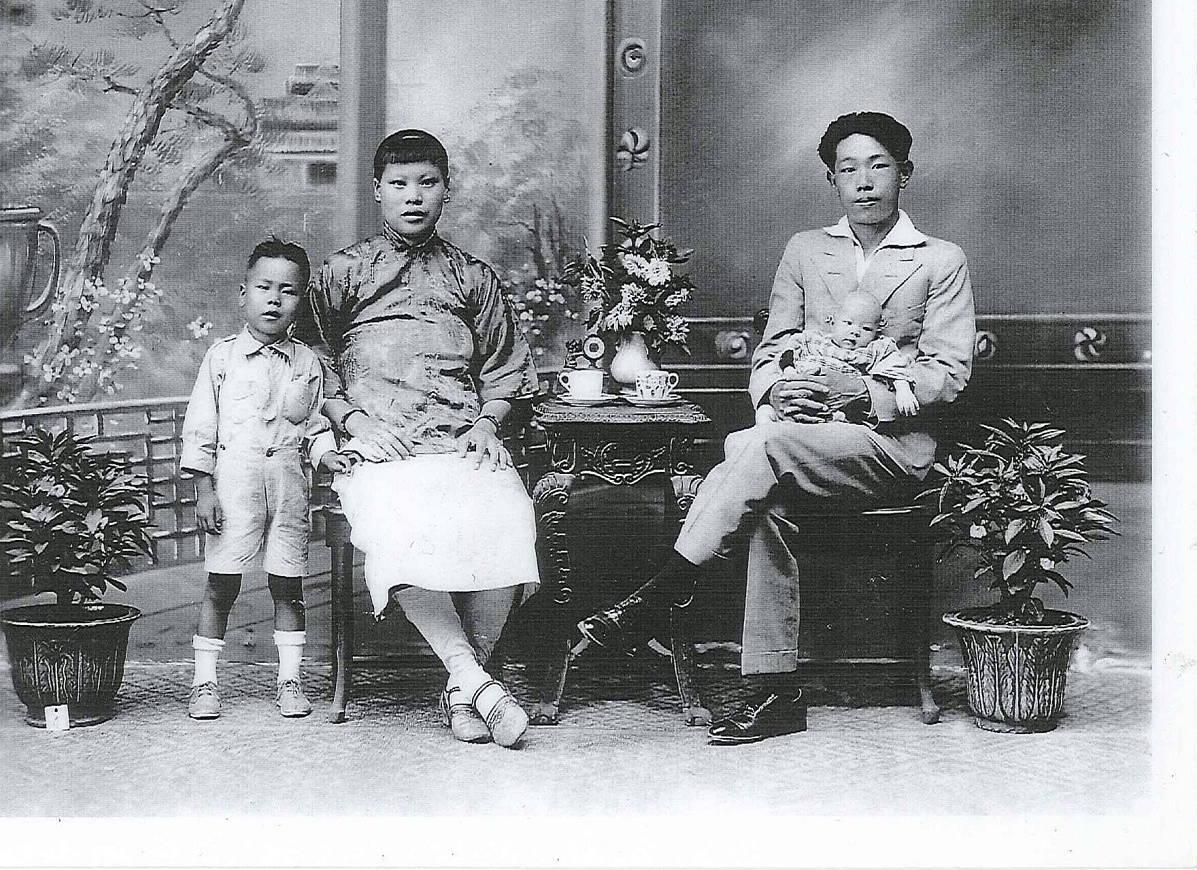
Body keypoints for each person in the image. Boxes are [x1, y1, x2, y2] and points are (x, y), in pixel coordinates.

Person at [577, 112, 976, 744]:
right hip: (797, 440)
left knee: (752, 447)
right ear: (832, 179)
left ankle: (659, 594)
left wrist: (855, 391)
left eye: (878, 166)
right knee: (763, 490)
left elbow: (948, 373)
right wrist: (779, 388)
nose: (864, 182)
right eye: (848, 169)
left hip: (887, 446)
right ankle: (775, 692)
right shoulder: (805, 250)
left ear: (906, 173)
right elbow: (771, 350)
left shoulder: (939, 260)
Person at [304, 129, 540, 749]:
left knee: (510, 517)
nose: (414, 197)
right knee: (403, 531)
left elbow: (502, 365)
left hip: (463, 440)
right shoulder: (341, 274)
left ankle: (465, 688)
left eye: (427, 183)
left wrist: (490, 424)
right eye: (400, 184)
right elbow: (313, 360)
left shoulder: (472, 277)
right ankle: (473, 680)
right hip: (384, 449)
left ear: (446, 192)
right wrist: (355, 424)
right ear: (378, 191)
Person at [181, 239, 352, 721]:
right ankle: (204, 684)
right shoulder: (220, 359)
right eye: (264, 287)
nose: (274, 299)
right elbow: (201, 427)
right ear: (244, 293)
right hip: (235, 484)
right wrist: (204, 490)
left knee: (287, 585)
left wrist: (329, 458)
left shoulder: (307, 363)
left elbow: (316, 427)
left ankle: (290, 681)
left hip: (288, 487)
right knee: (221, 585)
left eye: (288, 291)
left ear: (302, 299)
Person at [765, 288, 920, 424]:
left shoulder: (873, 350)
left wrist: (903, 389)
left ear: (876, 332)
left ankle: (833, 419)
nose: (855, 331)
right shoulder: (814, 341)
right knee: (770, 411)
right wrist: (790, 374)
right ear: (833, 321)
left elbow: (895, 366)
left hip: (840, 401)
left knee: (843, 421)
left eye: (866, 328)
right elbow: (787, 355)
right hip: (801, 388)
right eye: (848, 323)